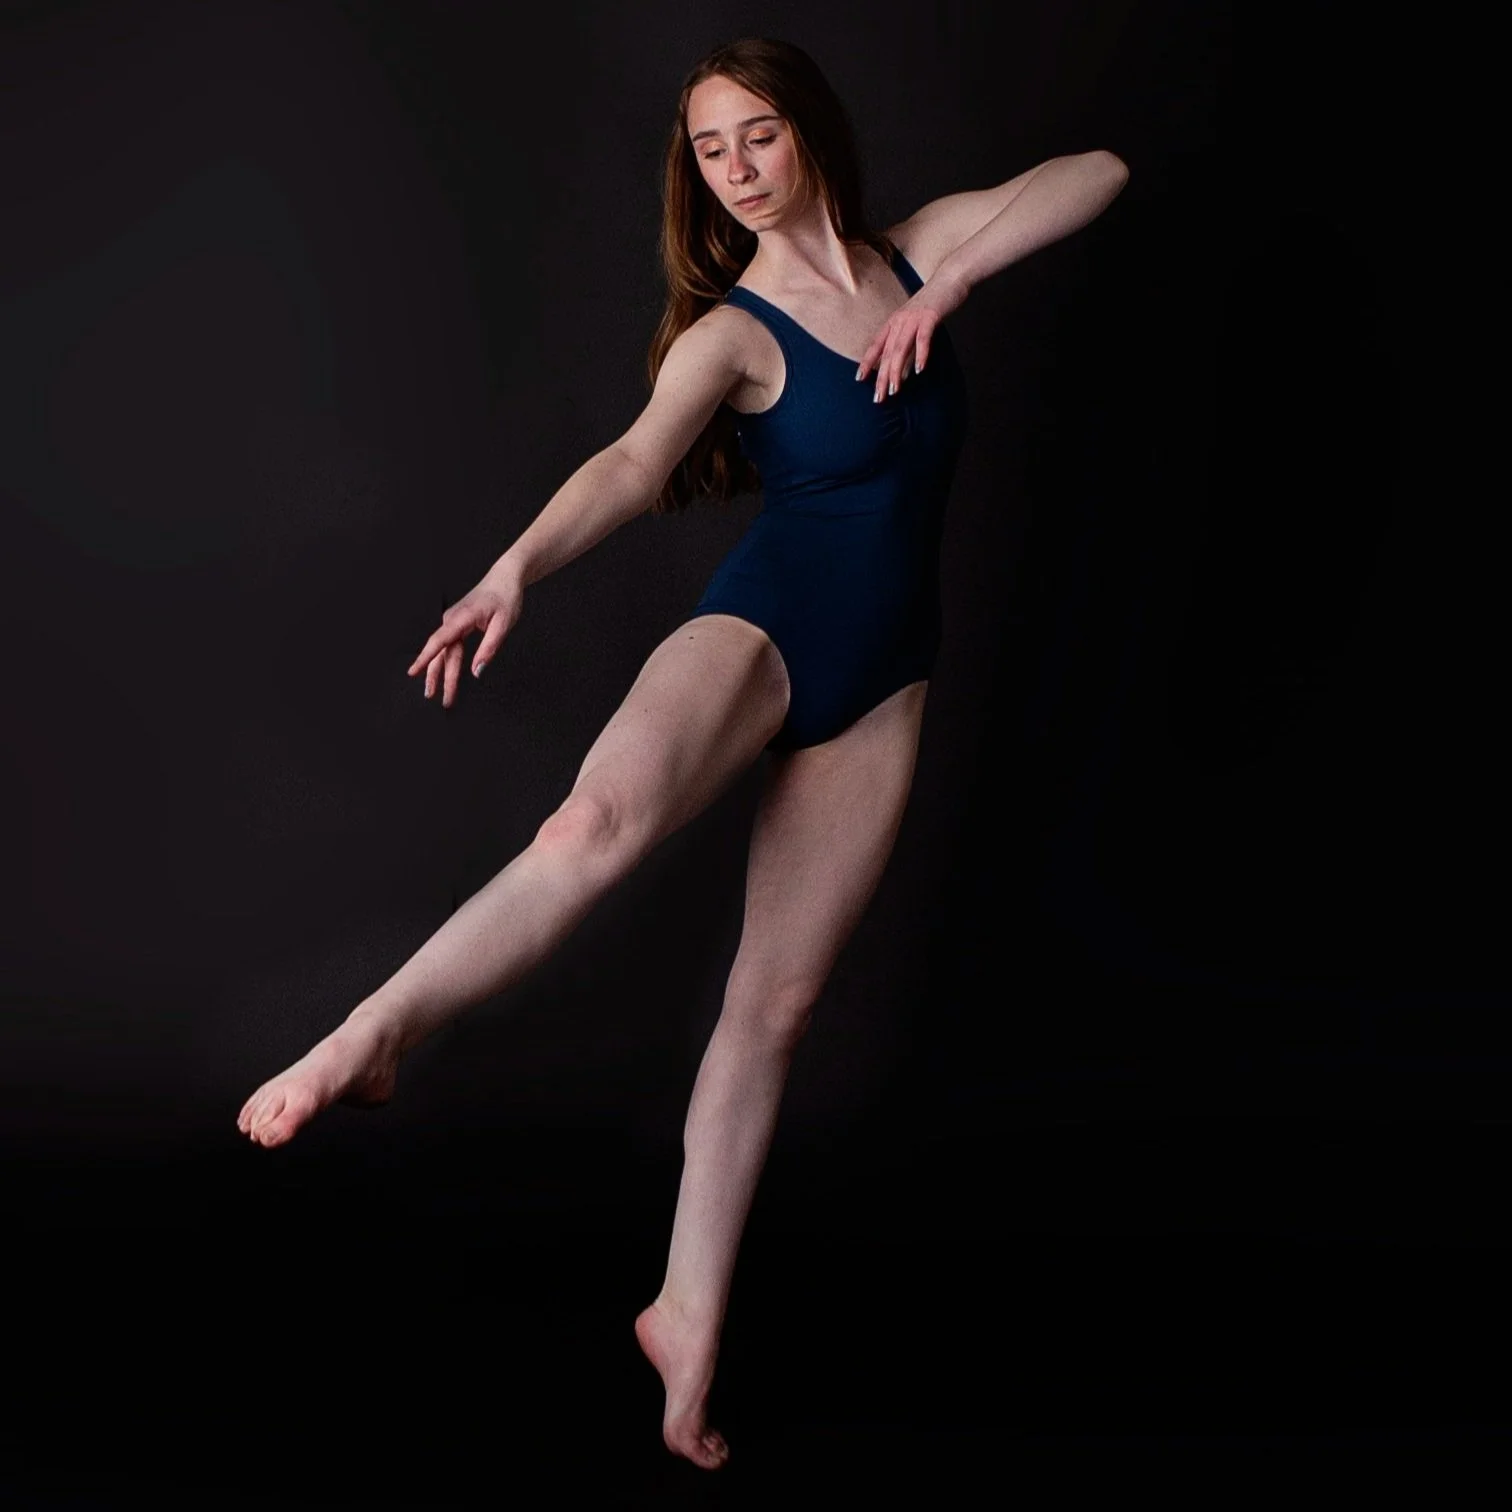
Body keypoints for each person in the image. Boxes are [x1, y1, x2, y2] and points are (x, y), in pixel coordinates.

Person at [237, 35, 1128, 1471]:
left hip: (891, 675)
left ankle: (686, 1319)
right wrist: (516, 569)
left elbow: (1098, 170)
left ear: (808, 135)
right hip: (765, 629)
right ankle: (371, 1032)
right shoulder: (738, 330)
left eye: (757, 138)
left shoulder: (915, 256)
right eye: (711, 152)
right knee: (589, 832)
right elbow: (635, 467)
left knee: (773, 1007)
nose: (735, 172)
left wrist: (957, 282)